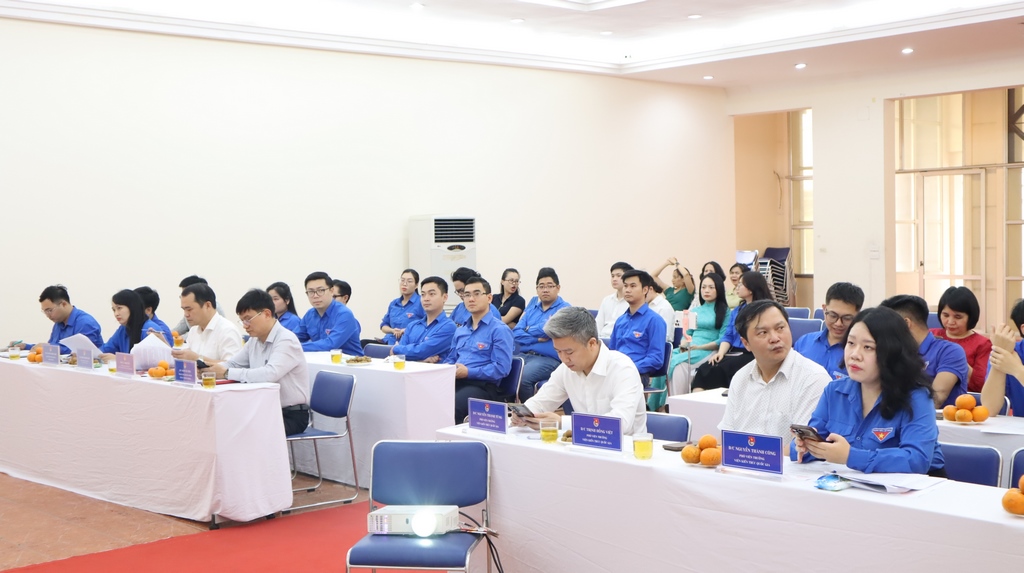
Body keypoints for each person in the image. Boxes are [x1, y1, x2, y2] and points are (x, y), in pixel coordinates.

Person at [792, 307, 946, 476]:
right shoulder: (834, 391)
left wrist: (851, 456)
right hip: (852, 484)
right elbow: (817, 439)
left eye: (868, 347)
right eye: (851, 343)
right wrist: (806, 446)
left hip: (912, 487)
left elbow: (917, 460)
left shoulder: (917, 397)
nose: (854, 355)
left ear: (892, 352)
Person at [511, 307, 647, 435]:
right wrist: (524, 414)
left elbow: (621, 424)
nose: (564, 359)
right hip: (583, 445)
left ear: (592, 343)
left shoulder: (622, 368)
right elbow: (542, 401)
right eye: (558, 352)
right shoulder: (566, 369)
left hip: (628, 448)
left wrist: (562, 422)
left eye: (569, 352)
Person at [718, 300, 830, 441]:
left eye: (780, 328)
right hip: (741, 455)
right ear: (746, 343)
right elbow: (727, 436)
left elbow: (804, 445)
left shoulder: (813, 378)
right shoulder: (741, 378)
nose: (775, 338)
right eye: (763, 333)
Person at [204, 289, 311, 436]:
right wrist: (209, 369)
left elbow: (269, 374)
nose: (245, 325)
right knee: (223, 422)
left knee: (242, 431)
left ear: (266, 314)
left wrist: (226, 373)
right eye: (242, 320)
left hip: (290, 415)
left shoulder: (286, 339)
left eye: (248, 319)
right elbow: (233, 364)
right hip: (263, 409)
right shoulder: (254, 340)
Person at [443, 276, 513, 424]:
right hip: (456, 381)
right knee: (427, 397)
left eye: (476, 294)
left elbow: (501, 368)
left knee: (451, 405)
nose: (471, 299)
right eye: (467, 295)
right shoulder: (461, 330)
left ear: (489, 298)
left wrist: (468, 372)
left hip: (483, 387)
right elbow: (451, 359)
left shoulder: (499, 330)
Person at [690, 270, 773, 391]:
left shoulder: (765, 310)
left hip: (753, 354)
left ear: (750, 289)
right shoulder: (737, 310)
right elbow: (728, 335)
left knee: (721, 370)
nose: (737, 287)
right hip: (734, 351)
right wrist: (720, 353)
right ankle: (697, 401)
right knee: (705, 368)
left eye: (741, 284)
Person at [880, 294, 968, 408]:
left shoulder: (950, 351)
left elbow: (936, 399)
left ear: (906, 323)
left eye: (888, 327)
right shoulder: (895, 353)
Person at [513, 267, 571, 401]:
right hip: (524, 355)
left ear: (558, 288)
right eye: (541, 286)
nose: (545, 290)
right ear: (537, 289)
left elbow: (549, 328)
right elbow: (515, 333)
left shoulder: (565, 309)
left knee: (523, 378)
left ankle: (530, 412)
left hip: (548, 359)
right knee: (502, 369)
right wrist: (538, 339)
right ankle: (509, 410)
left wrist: (527, 329)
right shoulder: (532, 309)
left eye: (550, 286)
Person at [667, 273, 729, 394]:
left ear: (719, 289)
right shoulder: (695, 310)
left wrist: (699, 347)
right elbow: (687, 333)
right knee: (668, 358)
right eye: (703, 287)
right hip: (691, 347)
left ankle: (677, 400)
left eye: (711, 287)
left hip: (708, 349)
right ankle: (661, 401)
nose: (706, 290)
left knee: (679, 363)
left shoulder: (725, 311)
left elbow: (722, 339)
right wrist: (683, 345)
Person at [793, 282, 865, 380]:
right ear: (824, 309)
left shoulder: (860, 354)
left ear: (858, 316)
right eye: (833, 316)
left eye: (847, 318)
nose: (838, 323)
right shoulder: (804, 343)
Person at [609, 270, 667, 384]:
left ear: (645, 290)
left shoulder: (655, 321)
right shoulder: (620, 321)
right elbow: (611, 351)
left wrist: (630, 369)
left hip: (637, 373)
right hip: (616, 371)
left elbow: (656, 358)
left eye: (633, 286)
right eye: (625, 286)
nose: (627, 290)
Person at [931, 286, 991, 392]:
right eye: (945, 315)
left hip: (964, 399)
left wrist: (955, 357)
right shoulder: (931, 335)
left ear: (971, 317)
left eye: (958, 317)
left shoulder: (983, 344)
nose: (950, 322)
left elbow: (981, 385)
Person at [11, 285, 103, 354]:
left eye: (49, 310)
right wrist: (26, 346)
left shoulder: (85, 323)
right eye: (45, 311)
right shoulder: (59, 322)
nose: (47, 315)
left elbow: (83, 352)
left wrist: (48, 347)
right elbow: (52, 347)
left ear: (64, 304)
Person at [171, 283, 243, 364]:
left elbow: (232, 366)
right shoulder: (193, 331)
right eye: (184, 310)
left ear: (208, 305)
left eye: (189, 309)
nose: (186, 314)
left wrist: (198, 359)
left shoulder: (228, 330)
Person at [391, 276, 457, 362]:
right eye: (423, 294)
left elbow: (422, 351)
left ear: (444, 297)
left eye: (432, 294)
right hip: (408, 370)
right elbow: (399, 358)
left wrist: (395, 348)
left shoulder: (449, 326)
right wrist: (421, 361)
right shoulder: (412, 326)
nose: (426, 299)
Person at [296, 272, 363, 355]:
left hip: (349, 361)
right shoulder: (310, 314)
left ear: (331, 291)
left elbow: (330, 344)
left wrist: (295, 347)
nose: (315, 296)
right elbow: (295, 338)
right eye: (311, 292)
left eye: (321, 290)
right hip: (321, 360)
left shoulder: (344, 314)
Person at [981, 300, 1024, 417]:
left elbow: (1015, 368)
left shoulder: (1012, 360)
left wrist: (1016, 369)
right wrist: (999, 352)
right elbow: (989, 409)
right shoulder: (1010, 352)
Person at [98, 289, 162, 360]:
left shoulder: (150, 328)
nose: (116, 314)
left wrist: (119, 359)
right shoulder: (123, 329)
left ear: (132, 307)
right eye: (114, 310)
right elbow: (106, 349)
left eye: (119, 308)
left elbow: (151, 361)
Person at [379, 269, 425, 344]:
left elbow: (427, 325)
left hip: (408, 343)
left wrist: (406, 330)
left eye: (409, 281)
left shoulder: (422, 302)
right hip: (389, 341)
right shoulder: (394, 303)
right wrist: (392, 330)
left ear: (416, 285)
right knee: (365, 343)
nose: (404, 284)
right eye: (402, 280)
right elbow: (384, 325)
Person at [595, 262, 633, 338]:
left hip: (619, 340)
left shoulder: (632, 302)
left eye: (618, 276)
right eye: (612, 276)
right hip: (601, 339)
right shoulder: (607, 300)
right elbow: (598, 324)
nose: (614, 279)